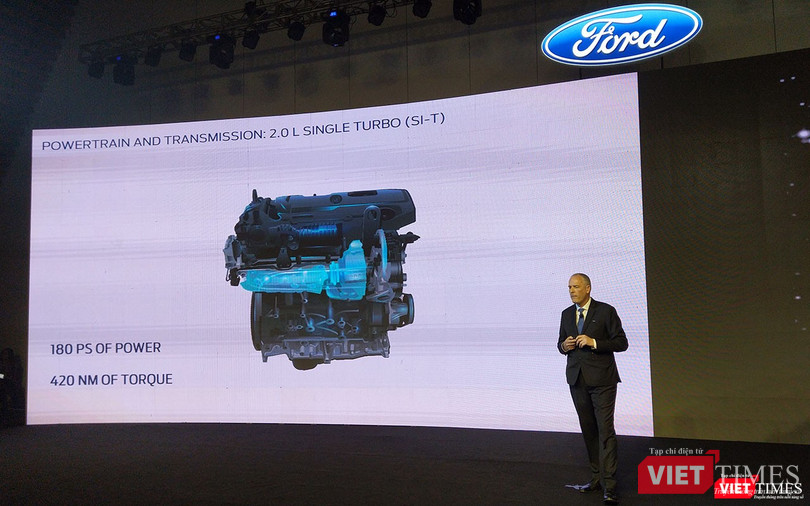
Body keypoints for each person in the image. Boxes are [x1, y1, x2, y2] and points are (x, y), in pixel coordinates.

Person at [558, 273, 628, 505]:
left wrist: (594, 342)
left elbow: (621, 343)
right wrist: (564, 346)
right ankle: (596, 478)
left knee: (605, 431)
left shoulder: (606, 311)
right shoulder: (566, 314)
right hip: (577, 381)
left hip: (603, 381)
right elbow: (560, 344)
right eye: (569, 287)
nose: (571, 291)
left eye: (576, 287)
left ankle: (610, 486)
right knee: (589, 431)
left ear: (587, 288)